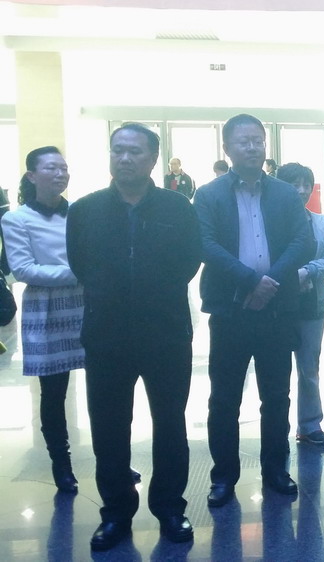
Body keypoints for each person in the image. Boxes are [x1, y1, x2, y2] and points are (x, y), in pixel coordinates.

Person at [66, 123, 202, 550]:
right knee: (108, 428)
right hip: (106, 336)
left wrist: (149, 290)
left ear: (153, 158)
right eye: (117, 150)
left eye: (134, 151)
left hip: (165, 333)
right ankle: (116, 513)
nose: (124, 158)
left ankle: (170, 508)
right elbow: (80, 264)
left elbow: (189, 261)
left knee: (170, 424)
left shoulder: (178, 208)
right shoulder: (85, 210)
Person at [194, 113, 314, 508]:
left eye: (257, 140)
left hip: (276, 311)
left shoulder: (284, 193)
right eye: (243, 141)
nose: (252, 147)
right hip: (230, 310)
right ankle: (223, 477)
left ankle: (275, 470)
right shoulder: (209, 194)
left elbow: (302, 242)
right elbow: (206, 244)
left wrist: (269, 283)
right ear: (227, 148)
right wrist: (250, 281)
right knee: (224, 399)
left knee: (277, 396)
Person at [2, 146, 85, 493]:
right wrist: (80, 273)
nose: (60, 174)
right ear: (32, 176)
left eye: (64, 168)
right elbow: (23, 269)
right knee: (53, 394)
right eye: (51, 168)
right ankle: (61, 464)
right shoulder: (16, 219)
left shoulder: (80, 213)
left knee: (107, 388)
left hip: (88, 303)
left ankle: (115, 459)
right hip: (47, 308)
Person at [276, 163, 324, 446]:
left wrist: (308, 271)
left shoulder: (321, 222)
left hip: (312, 305)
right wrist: (290, 278)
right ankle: (276, 427)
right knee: (276, 369)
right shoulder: (269, 221)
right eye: (294, 184)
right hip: (276, 305)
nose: (301, 190)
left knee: (309, 368)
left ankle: (310, 424)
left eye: (306, 184)